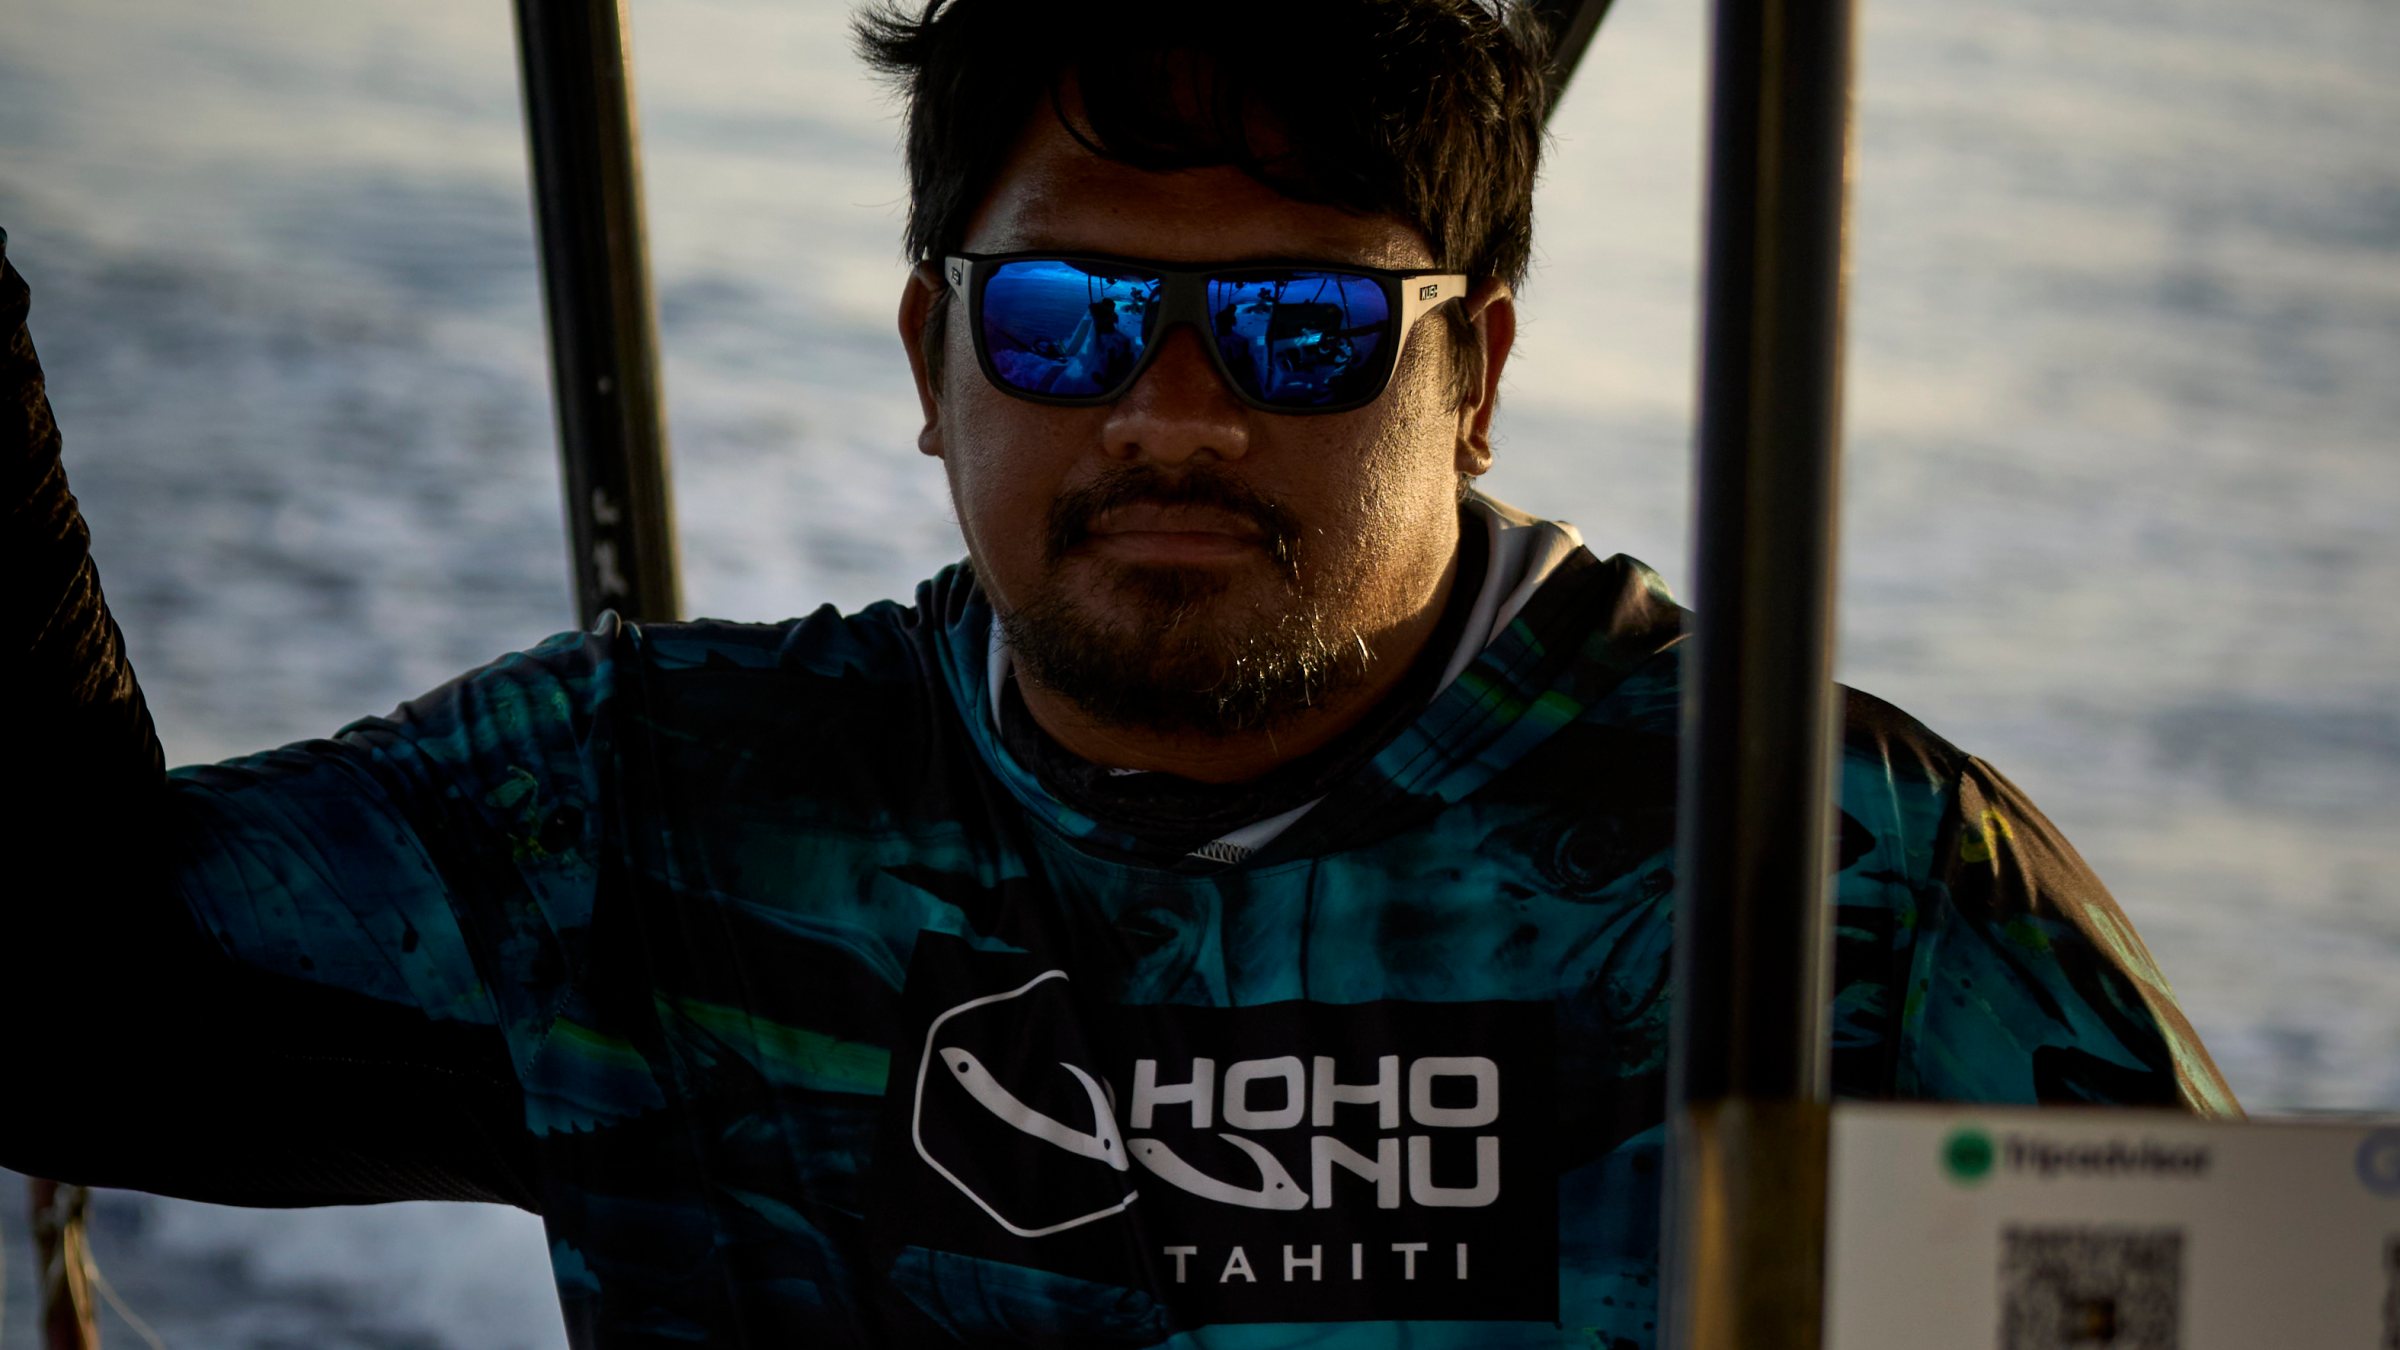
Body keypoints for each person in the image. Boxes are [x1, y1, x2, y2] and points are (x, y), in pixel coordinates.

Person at [1, 0, 2235, 1345]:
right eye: (1066, 318)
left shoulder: (1828, 887)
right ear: (931, 357)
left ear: (1472, 378)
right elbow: (59, 993)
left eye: (1298, 328)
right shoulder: (648, 820)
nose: (1174, 416)